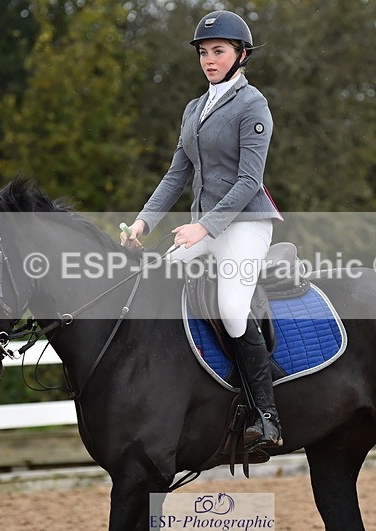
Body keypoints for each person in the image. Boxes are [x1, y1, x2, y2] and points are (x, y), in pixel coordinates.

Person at [121, 10, 283, 450]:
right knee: (150, 281)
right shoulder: (194, 108)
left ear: (240, 55)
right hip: (204, 229)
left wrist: (203, 229)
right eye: (204, 53)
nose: (209, 60)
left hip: (246, 225)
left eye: (219, 51)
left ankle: (266, 415)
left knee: (232, 308)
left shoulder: (253, 105)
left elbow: (249, 180)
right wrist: (144, 220)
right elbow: (177, 175)